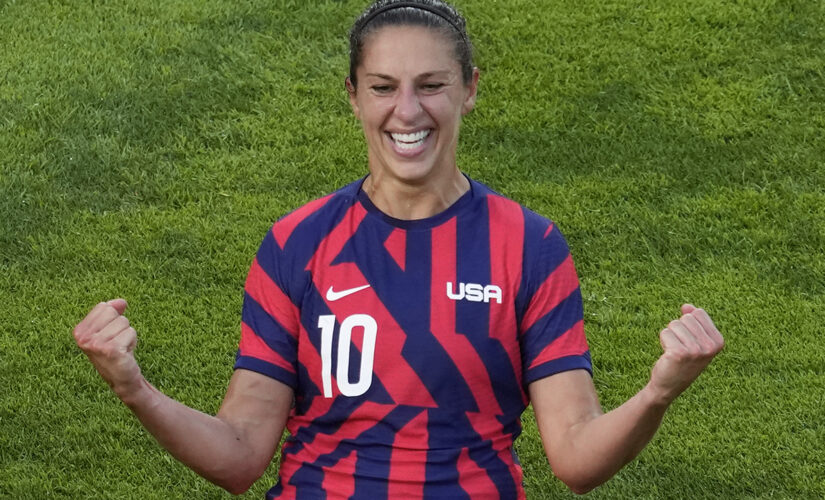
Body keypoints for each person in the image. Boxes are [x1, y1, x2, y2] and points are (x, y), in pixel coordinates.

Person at [72, 0, 725, 498]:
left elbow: (576, 458)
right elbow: (241, 454)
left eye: (430, 85)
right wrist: (136, 389)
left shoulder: (527, 243)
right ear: (353, 97)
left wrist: (656, 394)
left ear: (469, 89)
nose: (406, 111)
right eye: (383, 86)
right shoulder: (296, 242)